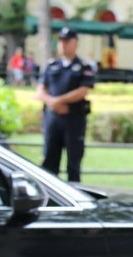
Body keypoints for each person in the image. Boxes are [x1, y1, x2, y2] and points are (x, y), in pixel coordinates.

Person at [36, 28, 94, 183]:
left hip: (73, 120)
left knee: (73, 164)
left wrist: (59, 101)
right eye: (61, 41)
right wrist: (52, 103)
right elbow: (40, 90)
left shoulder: (84, 67)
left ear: (75, 43)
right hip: (53, 119)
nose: (63, 44)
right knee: (49, 162)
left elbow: (83, 90)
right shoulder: (52, 65)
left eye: (66, 41)